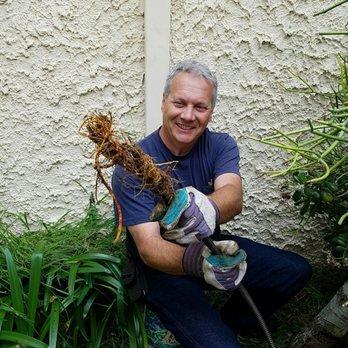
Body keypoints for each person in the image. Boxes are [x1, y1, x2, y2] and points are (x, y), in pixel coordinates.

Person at [112, 60, 312, 347]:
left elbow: (232, 195)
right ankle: (170, 320)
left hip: (212, 246)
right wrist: (198, 263)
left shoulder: (220, 145)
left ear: (211, 112)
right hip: (163, 270)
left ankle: (235, 321)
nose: (188, 115)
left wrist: (208, 207)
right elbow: (149, 249)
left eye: (200, 107)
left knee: (295, 271)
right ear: (164, 102)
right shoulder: (133, 165)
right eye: (180, 103)